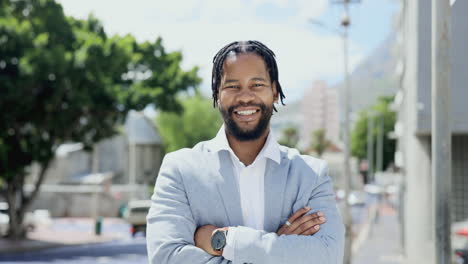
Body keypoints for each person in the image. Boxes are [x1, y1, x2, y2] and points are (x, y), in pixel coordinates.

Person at [146, 40, 345, 264]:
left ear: (275, 92)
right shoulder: (180, 170)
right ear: (217, 94)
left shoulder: (311, 175)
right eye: (232, 86)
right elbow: (166, 258)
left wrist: (225, 240)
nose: (245, 97)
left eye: (257, 84)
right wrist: (279, 247)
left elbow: (328, 255)